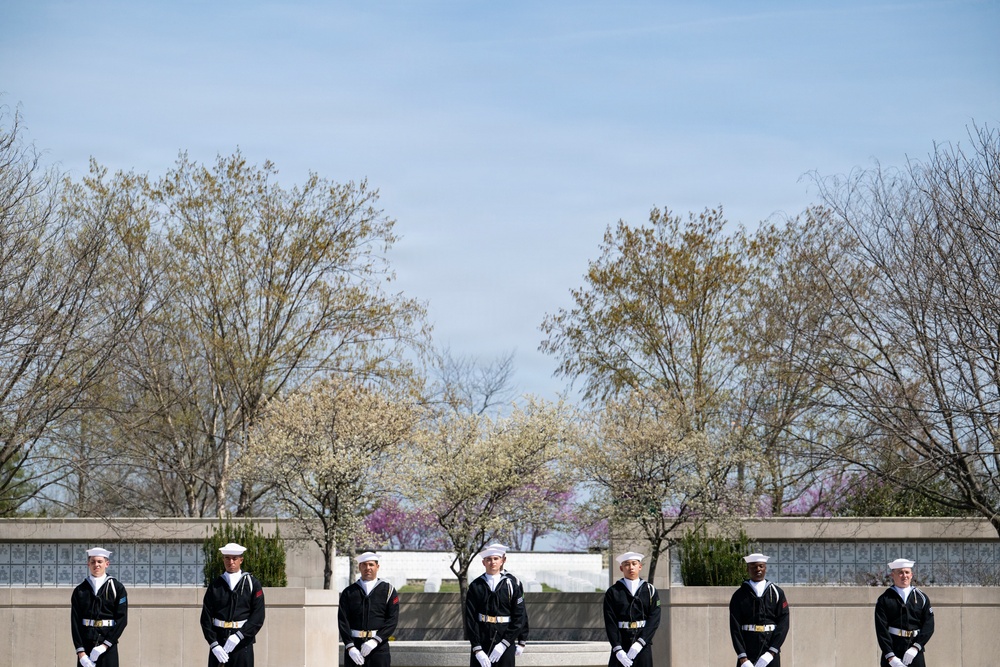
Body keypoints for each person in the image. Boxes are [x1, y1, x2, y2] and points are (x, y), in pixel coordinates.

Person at [200, 542, 266, 666]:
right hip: (219, 643)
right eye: (227, 558)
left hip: (242, 644)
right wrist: (214, 644)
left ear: (241, 560)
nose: (231, 562)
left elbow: (258, 616)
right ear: (223, 559)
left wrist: (239, 635)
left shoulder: (252, 584)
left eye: (234, 558)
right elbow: (206, 618)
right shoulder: (215, 585)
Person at [464, 543, 528, 667]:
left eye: (496, 559)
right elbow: (470, 618)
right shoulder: (476, 586)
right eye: (488, 559)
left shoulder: (512, 584)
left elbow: (520, 616)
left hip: (505, 639)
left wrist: (511, 642)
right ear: (483, 562)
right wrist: (477, 649)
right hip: (482, 639)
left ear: (502, 561)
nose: (492, 562)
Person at [338, 551, 400, 666]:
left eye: (371, 564)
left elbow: (392, 620)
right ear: (359, 567)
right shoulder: (349, 592)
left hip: (379, 648)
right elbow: (343, 621)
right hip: (355, 650)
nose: (368, 568)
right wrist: (350, 647)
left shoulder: (388, 591)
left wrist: (376, 640)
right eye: (364, 564)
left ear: (377, 567)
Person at [70, 547, 128, 667]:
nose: (96, 565)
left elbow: (122, 620)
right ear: (88, 564)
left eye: (100, 561)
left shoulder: (117, 588)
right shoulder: (80, 590)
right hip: (86, 644)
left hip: (108, 645)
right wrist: (81, 653)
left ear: (107, 563)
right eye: (93, 562)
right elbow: (75, 622)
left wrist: (105, 645)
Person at [729, 553, 789, 667]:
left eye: (761, 566)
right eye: (753, 566)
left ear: (765, 568)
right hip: (748, 650)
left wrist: (772, 652)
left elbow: (784, 623)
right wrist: (742, 657)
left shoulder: (776, 593)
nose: (758, 569)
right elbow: (735, 627)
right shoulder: (739, 595)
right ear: (747, 569)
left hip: (769, 649)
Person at [602, 551, 661, 667]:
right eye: (626, 564)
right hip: (621, 642)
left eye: (634, 564)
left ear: (640, 566)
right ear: (621, 568)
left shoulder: (650, 590)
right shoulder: (613, 592)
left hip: (642, 644)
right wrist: (617, 649)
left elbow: (654, 618)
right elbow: (610, 622)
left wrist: (640, 642)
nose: (631, 567)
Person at [874, 558, 934, 667]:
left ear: (911, 575)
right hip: (893, 650)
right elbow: (881, 629)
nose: (904, 575)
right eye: (900, 572)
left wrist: (916, 647)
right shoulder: (884, 599)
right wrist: (890, 656)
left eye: (907, 572)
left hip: (914, 651)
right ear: (893, 575)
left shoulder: (921, 598)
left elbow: (929, 625)